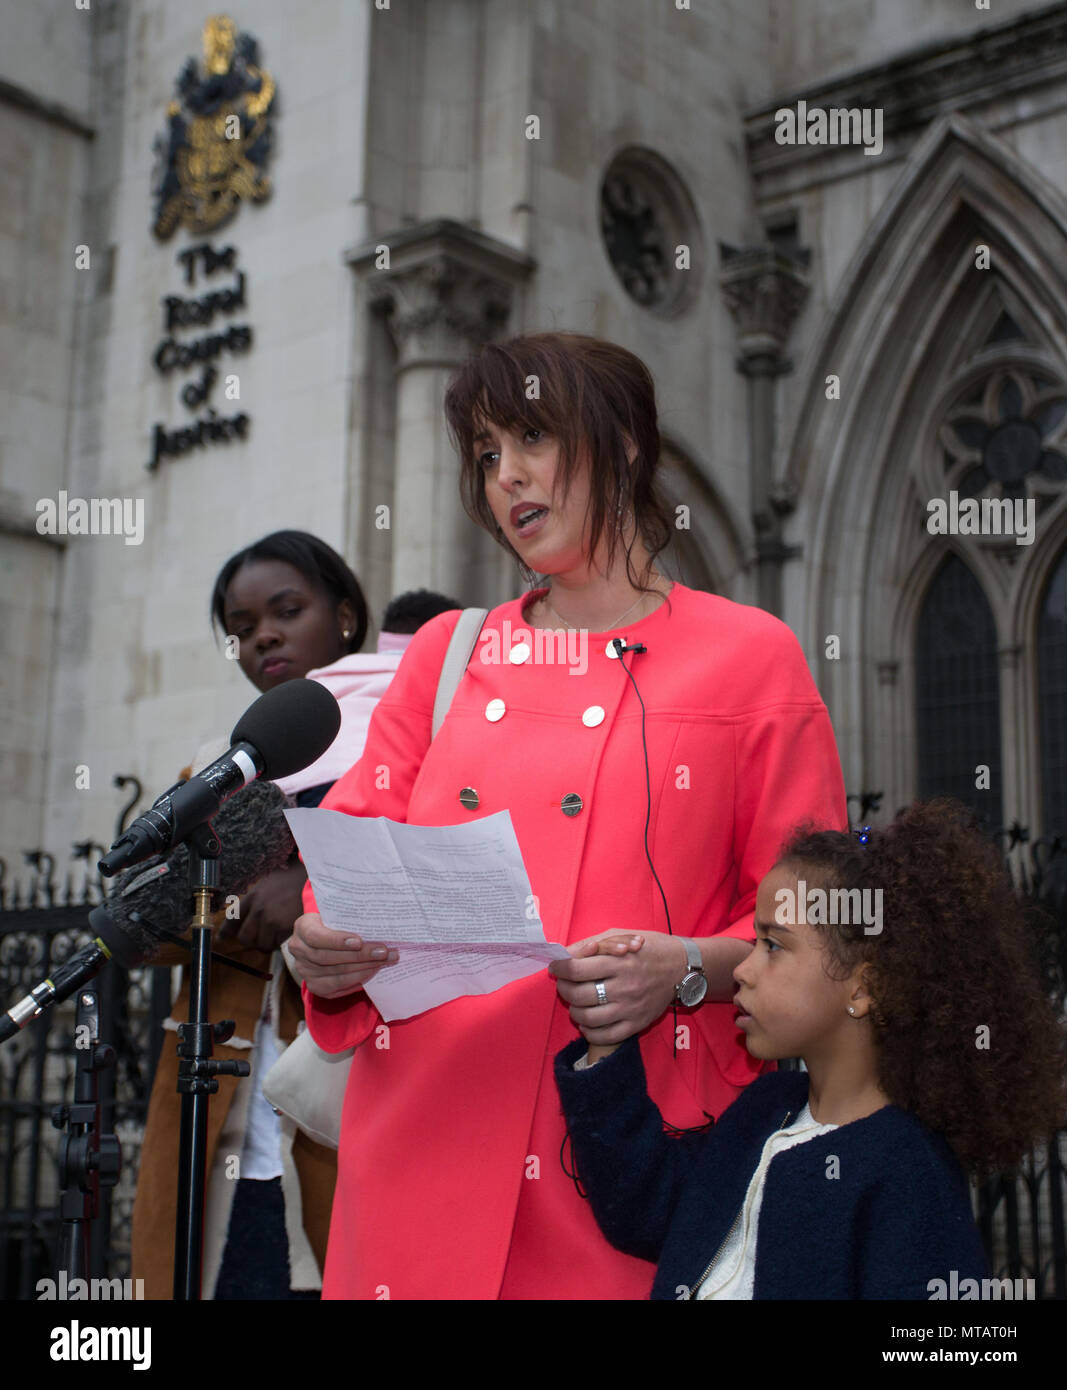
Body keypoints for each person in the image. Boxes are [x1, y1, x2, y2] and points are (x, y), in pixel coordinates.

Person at [287, 331, 849, 1299]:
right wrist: (318, 948)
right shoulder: (442, 656)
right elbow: (342, 867)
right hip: (418, 1157)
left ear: (624, 442)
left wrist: (682, 969)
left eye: (531, 437)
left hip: (624, 1171)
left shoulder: (753, 659)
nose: (505, 476)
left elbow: (815, 931)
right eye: (485, 453)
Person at [554, 798, 1067, 1299]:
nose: (741, 970)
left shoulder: (908, 1172)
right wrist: (607, 1044)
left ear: (863, 989)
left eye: (773, 946)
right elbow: (646, 1209)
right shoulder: (765, 1110)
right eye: (755, 943)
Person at [130, 528, 458, 1298]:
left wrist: (308, 888)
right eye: (240, 630)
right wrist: (247, 898)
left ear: (345, 615)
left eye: (285, 610)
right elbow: (150, 923)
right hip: (221, 1120)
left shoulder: (415, 741)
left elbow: (443, 891)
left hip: (354, 1111)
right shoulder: (219, 765)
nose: (261, 637)